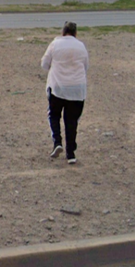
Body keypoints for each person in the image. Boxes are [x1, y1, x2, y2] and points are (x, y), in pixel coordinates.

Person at [41, 21, 89, 164]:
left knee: (54, 115)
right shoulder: (81, 46)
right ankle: (71, 153)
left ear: (63, 31)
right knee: (72, 120)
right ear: (75, 33)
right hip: (77, 89)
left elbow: (44, 64)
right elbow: (86, 66)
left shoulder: (55, 44)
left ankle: (57, 142)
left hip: (58, 87)